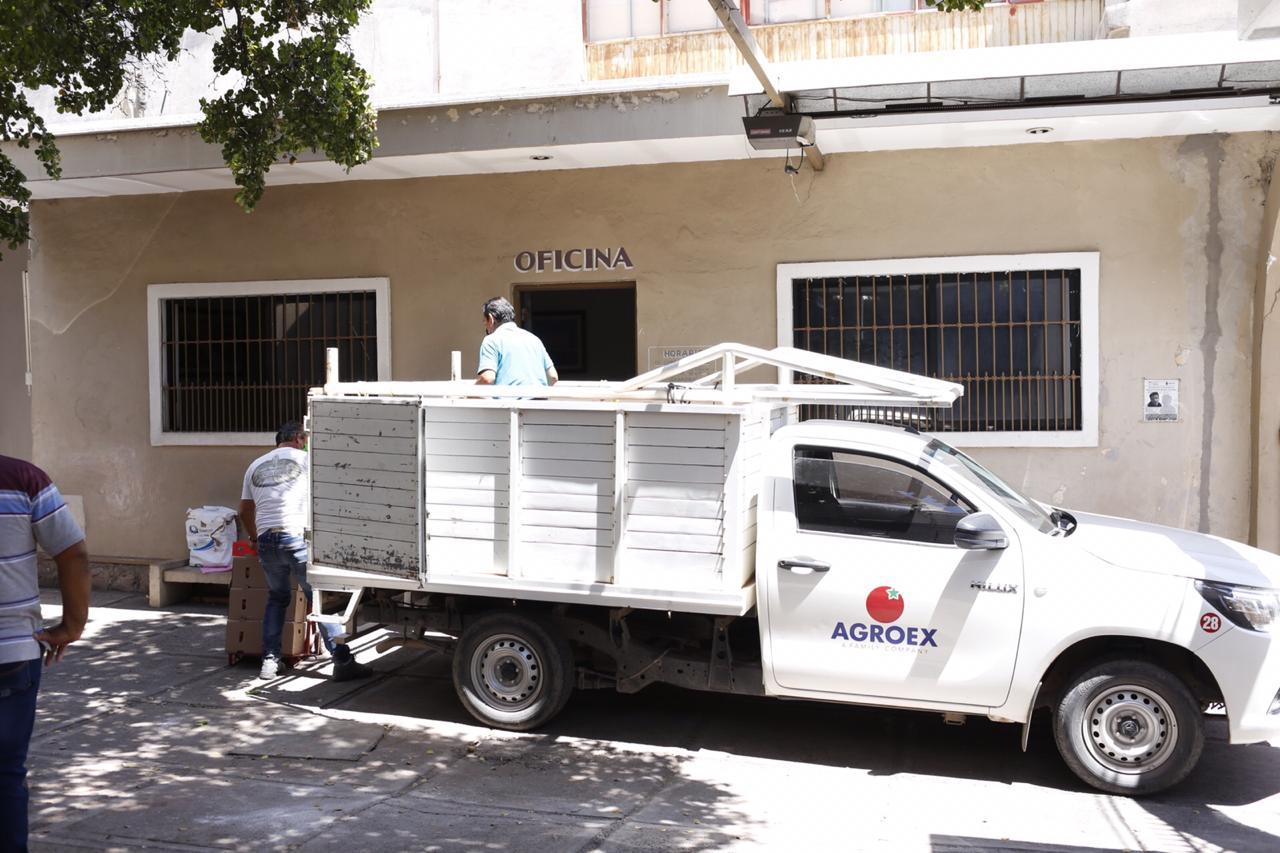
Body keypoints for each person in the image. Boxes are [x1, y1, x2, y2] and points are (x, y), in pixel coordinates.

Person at [1, 455, 90, 853]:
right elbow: (73, 553)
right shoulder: (21, 478)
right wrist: (72, 626)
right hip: (11, 654)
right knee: (4, 776)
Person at [239, 422, 371, 682]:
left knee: (277, 598)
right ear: (299, 438)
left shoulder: (255, 465)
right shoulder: (309, 460)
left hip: (267, 541)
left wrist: (255, 538)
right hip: (296, 538)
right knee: (318, 601)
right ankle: (343, 661)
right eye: (306, 438)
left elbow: (244, 510)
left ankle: (269, 662)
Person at [475, 296, 559, 387]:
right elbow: (553, 376)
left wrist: (471, 392)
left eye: (485, 321)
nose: (486, 326)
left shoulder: (491, 340)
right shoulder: (534, 339)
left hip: (509, 400)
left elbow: (487, 378)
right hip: (539, 399)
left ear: (491, 319)